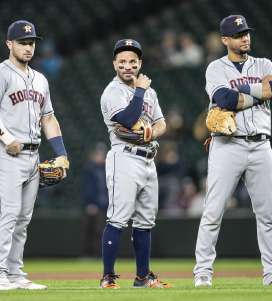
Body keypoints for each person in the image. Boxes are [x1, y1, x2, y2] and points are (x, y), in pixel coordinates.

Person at [0, 20, 68, 290]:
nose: (28, 47)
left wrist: (61, 154)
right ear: (10, 44)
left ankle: (15, 273)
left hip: (33, 155)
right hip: (6, 152)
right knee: (8, 213)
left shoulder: (40, 79)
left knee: (23, 218)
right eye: (22, 42)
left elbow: (49, 118)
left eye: (31, 43)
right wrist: (6, 137)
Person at [194, 15, 272, 287]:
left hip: (262, 145)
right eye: (239, 34)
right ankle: (202, 273)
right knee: (213, 212)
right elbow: (224, 99)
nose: (245, 38)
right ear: (225, 40)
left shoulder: (264, 63)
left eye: (247, 33)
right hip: (228, 146)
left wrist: (241, 89)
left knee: (269, 215)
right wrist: (259, 91)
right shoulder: (215, 68)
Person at [99, 39, 173, 289]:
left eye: (132, 62)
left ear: (140, 63)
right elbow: (129, 119)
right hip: (125, 156)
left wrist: (148, 133)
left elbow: (162, 124)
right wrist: (139, 90)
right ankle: (107, 277)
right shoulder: (113, 91)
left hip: (148, 158)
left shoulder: (151, 92)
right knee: (118, 217)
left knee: (145, 221)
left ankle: (143, 277)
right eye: (122, 62)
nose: (127, 66)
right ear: (114, 65)